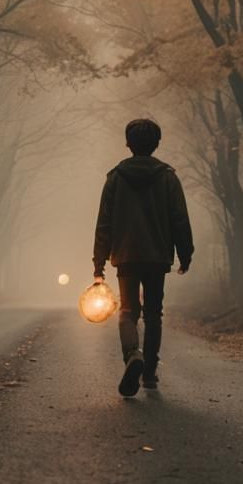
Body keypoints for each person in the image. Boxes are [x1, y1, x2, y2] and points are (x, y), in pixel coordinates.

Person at [92, 118, 193, 397]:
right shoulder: (168, 177)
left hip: (126, 255)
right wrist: (185, 254)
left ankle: (132, 355)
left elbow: (104, 223)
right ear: (157, 143)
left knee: (127, 311)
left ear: (128, 143)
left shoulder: (115, 177)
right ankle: (149, 373)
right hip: (157, 256)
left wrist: (98, 263)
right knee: (153, 313)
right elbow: (179, 219)